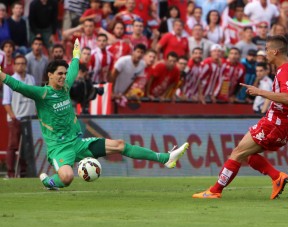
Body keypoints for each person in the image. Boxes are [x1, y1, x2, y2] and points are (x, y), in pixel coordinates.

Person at [0, 39, 189, 190]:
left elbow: (74, 69)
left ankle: (165, 158)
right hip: (59, 149)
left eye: (64, 73)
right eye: (59, 73)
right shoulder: (42, 94)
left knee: (120, 145)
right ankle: (50, 182)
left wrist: (75, 55)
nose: (63, 76)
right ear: (49, 75)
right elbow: (18, 86)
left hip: (78, 142)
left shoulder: (65, 87)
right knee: (67, 178)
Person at [192, 35, 288, 200]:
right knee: (248, 155)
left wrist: (258, 91)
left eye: (266, 50)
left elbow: (287, 97)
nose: (265, 54)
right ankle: (277, 177)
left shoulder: (284, 71)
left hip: (273, 123)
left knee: (237, 153)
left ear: (275, 51)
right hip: (284, 126)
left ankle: (215, 191)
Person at [2, 55, 36, 178]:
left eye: (23, 63)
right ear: (14, 65)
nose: (21, 65)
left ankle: (24, 172)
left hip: (30, 118)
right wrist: (13, 117)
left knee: (27, 147)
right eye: (18, 63)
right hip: (16, 118)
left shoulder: (31, 79)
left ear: (26, 65)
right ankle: (10, 172)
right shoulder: (9, 80)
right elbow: (6, 102)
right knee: (12, 146)